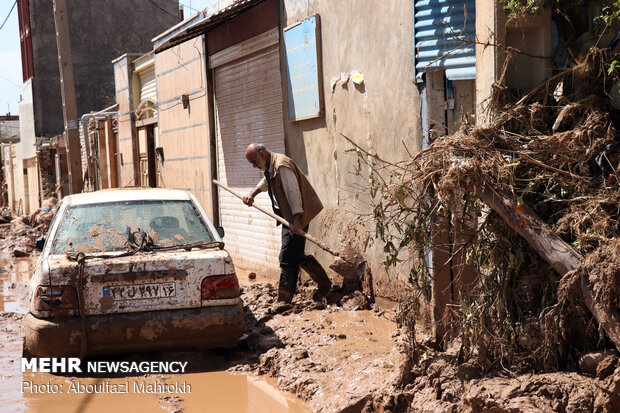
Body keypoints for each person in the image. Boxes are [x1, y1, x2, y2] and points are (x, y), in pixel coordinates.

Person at [242, 143, 332, 303]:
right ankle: (324, 283)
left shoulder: (282, 165)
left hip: (297, 215)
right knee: (295, 254)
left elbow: (293, 193)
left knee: (286, 257)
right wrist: (252, 194)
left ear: (262, 154)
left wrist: (296, 222)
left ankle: (284, 299)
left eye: (254, 161)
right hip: (288, 216)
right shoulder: (270, 166)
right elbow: (266, 181)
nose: (254, 166)